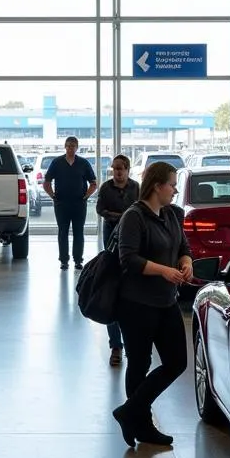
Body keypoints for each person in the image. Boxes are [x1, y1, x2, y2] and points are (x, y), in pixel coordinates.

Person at [110, 161, 193, 448]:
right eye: (171, 184)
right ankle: (141, 424)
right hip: (136, 304)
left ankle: (129, 412)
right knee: (140, 363)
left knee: (177, 362)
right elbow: (128, 259)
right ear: (157, 186)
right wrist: (163, 270)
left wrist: (185, 262)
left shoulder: (170, 215)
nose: (174, 189)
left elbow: (183, 246)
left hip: (165, 301)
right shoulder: (134, 217)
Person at [95, 154, 139, 366]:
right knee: (112, 293)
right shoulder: (105, 188)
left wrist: (126, 219)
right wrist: (118, 217)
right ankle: (115, 345)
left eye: (120, 168)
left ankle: (134, 346)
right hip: (111, 239)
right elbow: (100, 210)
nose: (117, 172)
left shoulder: (136, 188)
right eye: (114, 169)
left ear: (128, 169)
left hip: (133, 243)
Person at [44, 136, 97, 270]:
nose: (70, 148)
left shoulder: (83, 163)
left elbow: (93, 183)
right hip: (61, 203)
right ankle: (64, 260)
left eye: (73, 146)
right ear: (65, 147)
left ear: (77, 147)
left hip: (79, 203)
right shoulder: (57, 162)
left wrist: (86, 195)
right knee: (63, 231)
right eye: (68, 146)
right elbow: (47, 182)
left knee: (79, 231)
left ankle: (78, 260)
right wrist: (52, 195)